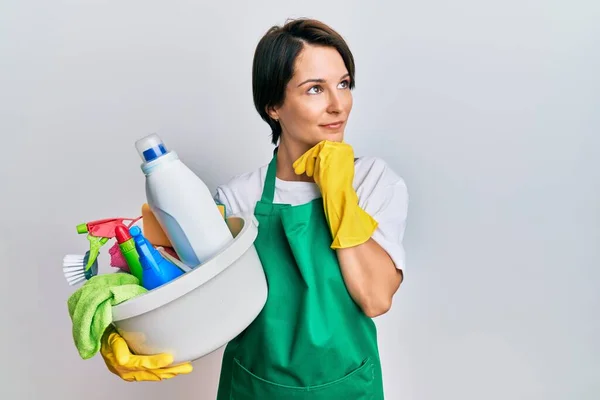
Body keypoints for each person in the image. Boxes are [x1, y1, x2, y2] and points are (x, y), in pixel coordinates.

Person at [98, 18, 409, 399]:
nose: (337, 104)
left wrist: (339, 192)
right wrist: (117, 334)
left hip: (348, 387)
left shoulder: (374, 182)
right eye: (315, 89)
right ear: (274, 105)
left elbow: (376, 298)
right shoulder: (237, 200)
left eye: (344, 84)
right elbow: (153, 270)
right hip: (253, 389)